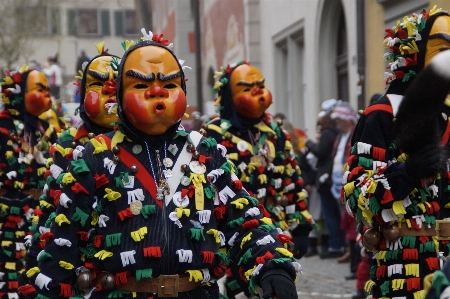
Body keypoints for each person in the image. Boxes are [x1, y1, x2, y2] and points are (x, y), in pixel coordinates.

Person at [22, 30, 300, 299]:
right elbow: (62, 245)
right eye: (141, 85)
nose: (157, 92)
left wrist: (273, 266)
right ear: (118, 95)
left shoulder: (206, 151)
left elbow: (245, 220)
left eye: (169, 85)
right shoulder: (93, 157)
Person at [342, 6, 450, 298]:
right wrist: (407, 172)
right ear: (415, 54)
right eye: (443, 48)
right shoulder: (381, 115)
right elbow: (356, 198)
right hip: (403, 266)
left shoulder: (447, 117)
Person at [204, 62, 311, 298]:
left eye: (259, 85)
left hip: (275, 231)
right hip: (234, 232)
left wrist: (301, 227)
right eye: (246, 87)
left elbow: (291, 180)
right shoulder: (214, 134)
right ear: (230, 96)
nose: (256, 91)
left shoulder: (276, 133)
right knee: (240, 290)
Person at [22, 43, 121, 285]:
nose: (109, 90)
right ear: (83, 93)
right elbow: (51, 211)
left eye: (118, 84)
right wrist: (38, 263)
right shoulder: (68, 143)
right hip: (80, 273)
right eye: (98, 84)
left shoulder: (144, 144)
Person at [0, 66, 56, 298]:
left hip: (40, 213)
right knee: (8, 271)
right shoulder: (2, 127)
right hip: (8, 214)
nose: (46, 95)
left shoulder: (46, 129)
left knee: (37, 271)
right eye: (39, 89)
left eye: (48, 89)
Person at [304, 99, 341, 258]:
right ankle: (336, 244)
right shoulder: (337, 132)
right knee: (332, 213)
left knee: (329, 214)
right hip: (331, 176)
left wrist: (309, 144)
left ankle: (335, 245)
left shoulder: (328, 133)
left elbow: (321, 152)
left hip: (326, 178)